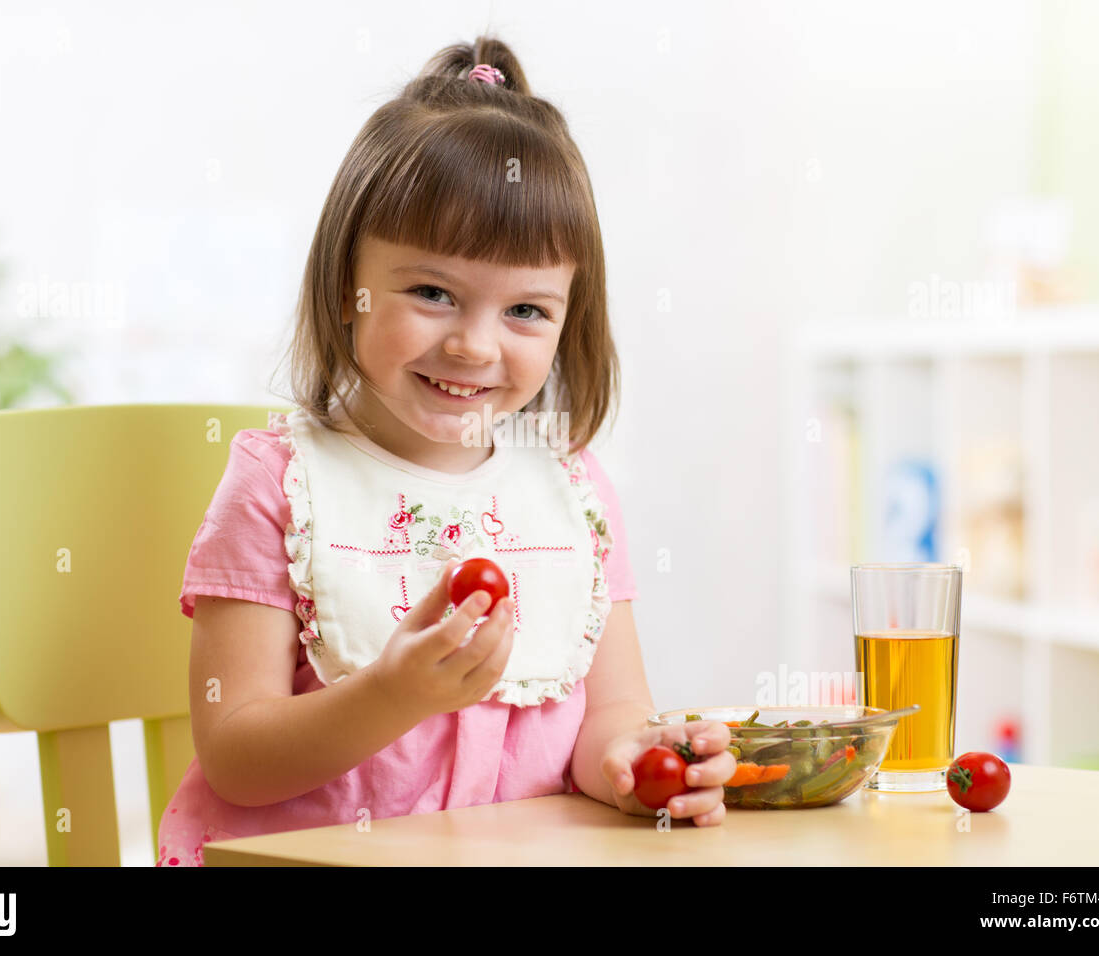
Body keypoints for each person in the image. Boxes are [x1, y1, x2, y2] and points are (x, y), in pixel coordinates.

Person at [156, 35, 733, 867]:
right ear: (344, 288)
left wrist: (632, 764)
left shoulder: (572, 494)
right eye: (432, 293)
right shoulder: (280, 485)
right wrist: (390, 696)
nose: (473, 345)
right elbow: (236, 757)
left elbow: (610, 715)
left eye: (526, 311)